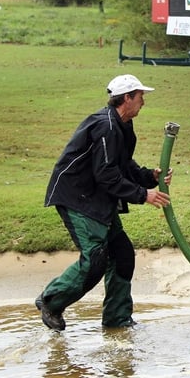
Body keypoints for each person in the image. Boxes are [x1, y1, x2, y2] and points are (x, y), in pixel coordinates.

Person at [35, 74, 173, 330]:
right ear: (127, 98)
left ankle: (117, 320)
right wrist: (144, 195)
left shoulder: (123, 126)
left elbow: (122, 166)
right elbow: (107, 175)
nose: (143, 102)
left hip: (98, 199)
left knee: (122, 255)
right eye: (140, 96)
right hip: (78, 198)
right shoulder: (105, 127)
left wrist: (149, 177)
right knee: (95, 260)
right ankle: (51, 301)